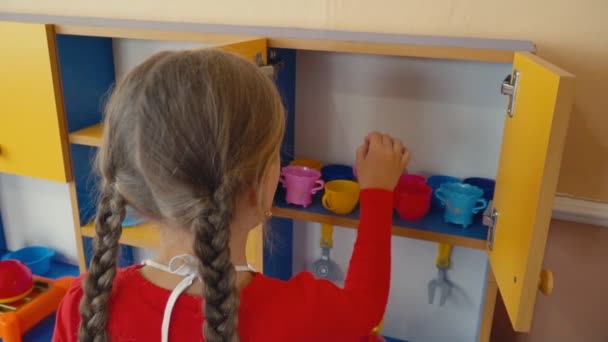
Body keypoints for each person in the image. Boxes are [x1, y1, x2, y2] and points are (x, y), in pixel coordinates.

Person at [52, 48, 410, 342]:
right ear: (256, 192)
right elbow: (365, 308)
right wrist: (378, 192)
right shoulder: (307, 318)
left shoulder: (84, 304)